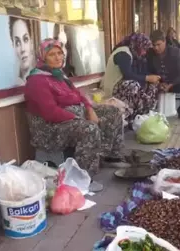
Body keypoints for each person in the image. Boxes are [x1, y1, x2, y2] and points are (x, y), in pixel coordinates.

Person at [24, 39, 130, 192]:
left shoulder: (59, 75)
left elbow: (78, 96)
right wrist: (80, 118)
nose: (58, 57)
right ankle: (84, 178)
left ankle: (110, 156)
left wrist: (90, 109)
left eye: (59, 53)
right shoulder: (37, 81)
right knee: (89, 128)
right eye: (52, 54)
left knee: (112, 112)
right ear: (43, 57)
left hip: (70, 118)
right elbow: (50, 112)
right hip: (50, 129)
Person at [102, 33, 161, 124]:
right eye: (144, 49)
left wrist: (151, 79)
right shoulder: (123, 53)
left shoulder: (133, 54)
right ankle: (135, 116)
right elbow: (128, 75)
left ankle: (144, 115)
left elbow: (138, 74)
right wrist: (147, 78)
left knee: (152, 85)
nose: (144, 53)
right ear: (138, 46)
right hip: (113, 87)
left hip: (122, 86)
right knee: (133, 85)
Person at [147, 30, 180, 121]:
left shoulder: (175, 52)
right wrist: (159, 83)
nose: (156, 48)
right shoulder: (150, 53)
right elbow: (148, 71)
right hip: (157, 83)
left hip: (173, 83)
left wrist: (170, 85)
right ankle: (148, 111)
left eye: (158, 44)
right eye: (154, 45)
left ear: (164, 41)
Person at [9, 17, 35, 86]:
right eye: (17, 43)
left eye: (25, 39)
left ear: (31, 43)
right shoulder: (14, 86)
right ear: (13, 46)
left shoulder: (43, 77)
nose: (22, 49)